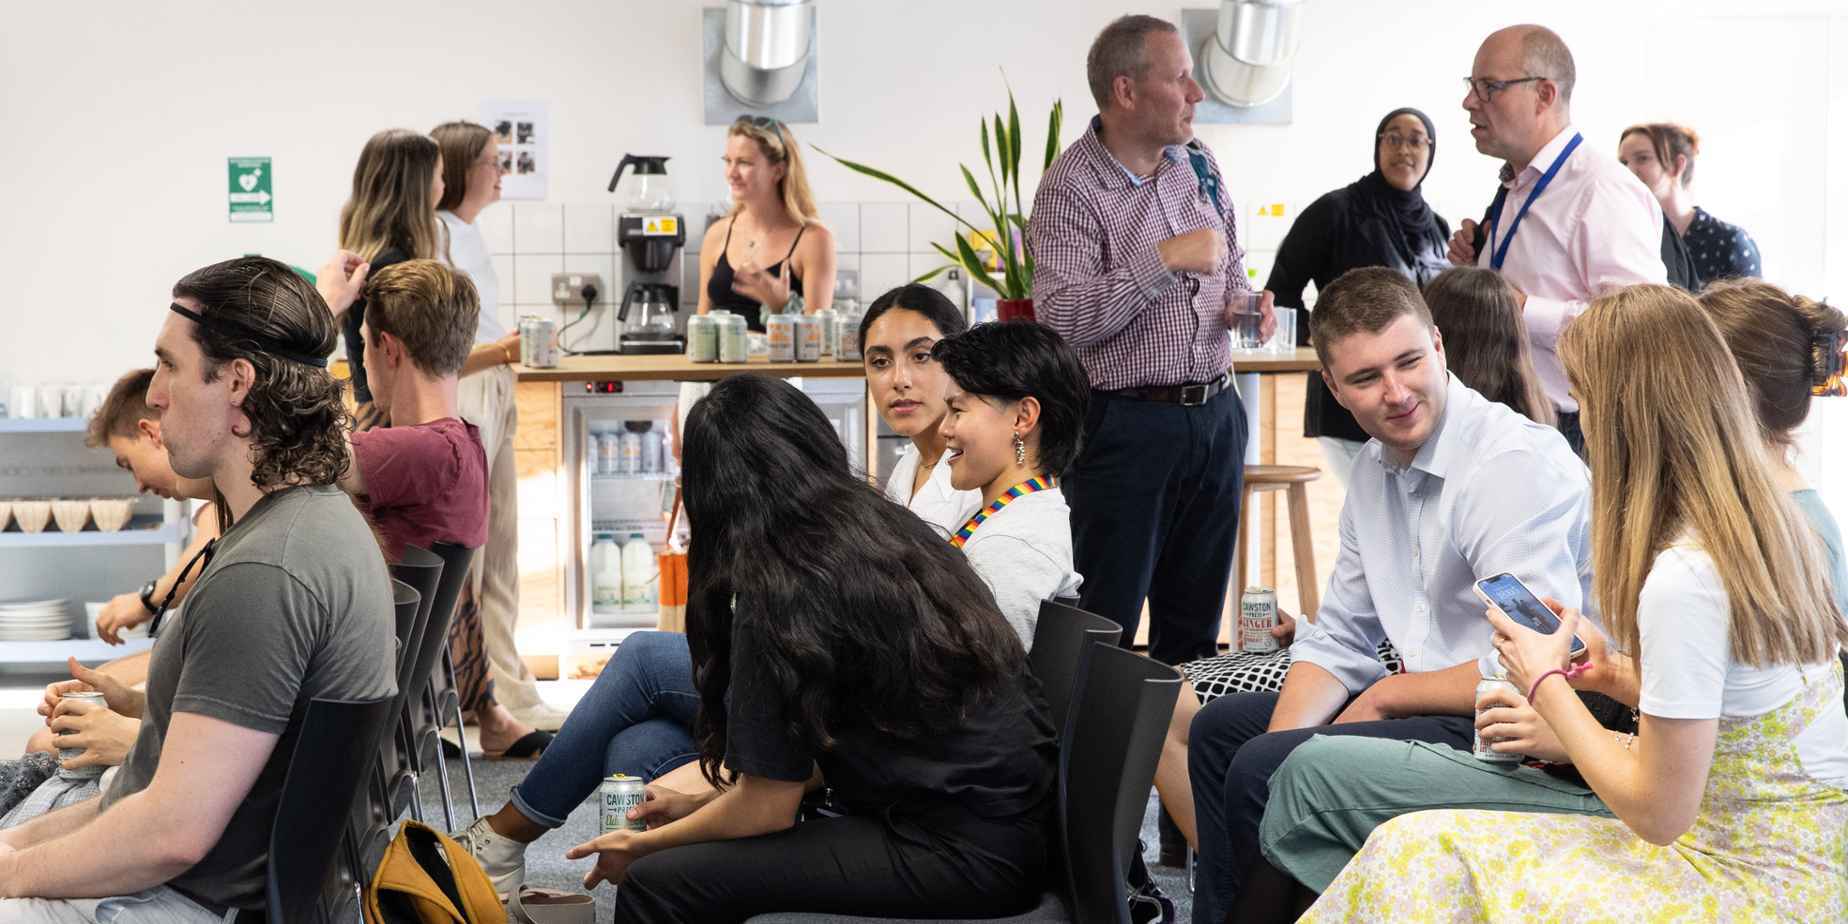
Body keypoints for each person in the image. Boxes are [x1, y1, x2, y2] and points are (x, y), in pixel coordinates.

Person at [1256, 278, 1848, 909]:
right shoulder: (1757, 529)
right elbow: (1732, 716)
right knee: (1411, 846)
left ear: (1624, 419)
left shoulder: (1685, 579)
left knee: (1412, 850)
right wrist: (1609, 672)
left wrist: (1546, 684)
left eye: (1584, 399)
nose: (1579, 419)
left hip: (1741, 878)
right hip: (1796, 858)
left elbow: (1660, 813)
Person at [562, 374, 1053, 921]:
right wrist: (698, 802)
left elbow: (768, 809)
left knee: (656, 883)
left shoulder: (779, 589)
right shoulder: (883, 531)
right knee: (649, 765)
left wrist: (642, 845)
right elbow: (844, 743)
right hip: (1008, 828)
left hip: (959, 853)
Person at [1184, 267, 1592, 923]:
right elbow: (1340, 636)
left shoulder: (1508, 466)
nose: (1396, 393)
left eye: (1408, 362)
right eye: (1367, 378)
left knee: (1264, 766)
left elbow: (1537, 658)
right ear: (1333, 387)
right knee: (1222, 734)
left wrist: (1386, 695)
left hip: (1520, 722)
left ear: (1438, 345)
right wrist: (1290, 742)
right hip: (1434, 701)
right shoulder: (1375, 471)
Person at [0, 256, 395, 920]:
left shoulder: (266, 572)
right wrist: (13, 852)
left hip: (176, 903)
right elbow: (140, 799)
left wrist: (13, 874)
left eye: (169, 366)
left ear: (237, 383)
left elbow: (170, 834)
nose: (154, 395)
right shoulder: (309, 523)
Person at [1031, 13, 1274, 665]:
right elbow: (1060, 320)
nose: (1198, 93)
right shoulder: (1070, 189)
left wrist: (1248, 308)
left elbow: (1230, 270)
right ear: (1126, 91)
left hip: (1217, 416)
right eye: (1181, 78)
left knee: (1195, 626)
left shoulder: (1198, 162)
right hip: (1123, 427)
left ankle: (1185, 733)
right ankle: (1089, 738)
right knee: (1103, 624)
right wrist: (1162, 259)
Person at [323, 257, 549, 759]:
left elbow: (296, 449)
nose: (361, 361)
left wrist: (325, 309)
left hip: (351, 696)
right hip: (386, 687)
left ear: (388, 349)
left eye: (363, 344)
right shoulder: (463, 443)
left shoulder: (417, 453)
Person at [1448, 25, 1664, 454]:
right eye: (1471, 86)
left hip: (1574, 433)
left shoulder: (1601, 190)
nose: (1469, 101)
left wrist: (1522, 309)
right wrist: (1478, 268)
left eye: (1489, 87)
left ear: (1544, 95)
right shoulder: (1520, 183)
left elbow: (1641, 332)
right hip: (1509, 417)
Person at [432, 120, 561, 733]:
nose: (501, 171)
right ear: (462, 169)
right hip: (470, 392)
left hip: (494, 386)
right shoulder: (437, 234)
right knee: (478, 558)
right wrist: (503, 349)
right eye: (491, 161)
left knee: (502, 549)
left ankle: (511, 689)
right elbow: (445, 345)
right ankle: (484, 698)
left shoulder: (466, 232)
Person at [1267, 107, 1451, 483]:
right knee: (1377, 513)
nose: (1404, 150)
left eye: (1416, 141)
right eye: (1393, 138)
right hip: (1353, 406)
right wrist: (1324, 341)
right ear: (1377, 146)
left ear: (1431, 151)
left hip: (1415, 403)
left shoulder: (1436, 227)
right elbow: (1280, 291)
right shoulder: (1336, 211)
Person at [932, 321, 1087, 644]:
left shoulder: (1011, 546)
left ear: (1022, 417)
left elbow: (991, 669)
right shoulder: (1007, 512)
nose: (944, 429)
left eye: (957, 410)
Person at [337, 128, 446, 432]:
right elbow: (420, 365)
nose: (443, 186)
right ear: (419, 187)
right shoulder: (394, 268)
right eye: (440, 176)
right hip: (389, 427)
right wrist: (503, 353)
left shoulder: (375, 260)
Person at [859, 284, 979, 537]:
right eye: (880, 362)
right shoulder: (909, 464)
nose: (900, 380)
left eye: (921, 356)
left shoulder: (980, 478)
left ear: (959, 360)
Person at [697, 116, 836, 331]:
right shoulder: (717, 234)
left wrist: (782, 307)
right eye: (727, 161)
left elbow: (819, 339)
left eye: (744, 162)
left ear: (778, 171)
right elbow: (700, 324)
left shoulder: (814, 239)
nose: (731, 173)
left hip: (779, 355)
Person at [1618, 122, 1762, 284]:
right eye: (1623, 163)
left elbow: (1752, 300)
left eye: (1643, 158)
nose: (1628, 171)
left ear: (1677, 165)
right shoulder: (1632, 239)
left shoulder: (1730, 242)